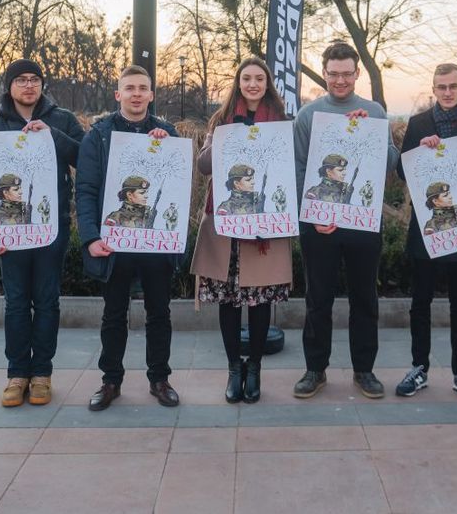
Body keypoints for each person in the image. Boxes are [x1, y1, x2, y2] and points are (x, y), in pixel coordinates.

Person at [0, 59, 85, 408]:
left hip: (51, 229)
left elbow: (85, 158)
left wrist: (53, 136)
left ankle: (42, 374)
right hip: (9, 232)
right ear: (9, 86)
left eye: (34, 79)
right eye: (20, 80)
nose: (28, 86)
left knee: (48, 300)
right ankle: (16, 373)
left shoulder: (61, 119)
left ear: (42, 85)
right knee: (16, 302)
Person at [292, 42, 399, 400]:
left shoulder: (374, 112)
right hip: (319, 225)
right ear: (324, 73)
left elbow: (389, 162)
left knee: (364, 298)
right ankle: (315, 370)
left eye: (346, 73)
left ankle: (364, 370)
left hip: (362, 223)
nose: (340, 80)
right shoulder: (308, 115)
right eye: (333, 73)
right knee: (317, 298)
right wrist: (311, 214)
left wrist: (372, 136)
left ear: (357, 74)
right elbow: (299, 167)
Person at [77, 65, 181, 411]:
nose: (137, 93)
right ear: (118, 94)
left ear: (152, 95)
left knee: (159, 314)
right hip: (114, 242)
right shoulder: (100, 135)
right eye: (130, 88)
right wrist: (90, 237)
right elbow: (87, 190)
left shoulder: (167, 133)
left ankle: (159, 379)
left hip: (154, 243)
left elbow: (178, 189)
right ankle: (110, 381)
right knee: (113, 314)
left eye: (143, 88)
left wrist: (170, 150)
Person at [190, 58, 293, 404]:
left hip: (264, 228)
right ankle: (235, 368)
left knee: (261, 301)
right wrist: (224, 142)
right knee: (229, 301)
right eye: (246, 78)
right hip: (225, 228)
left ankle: (256, 368)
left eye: (259, 78)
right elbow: (203, 166)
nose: (252, 84)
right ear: (238, 82)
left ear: (267, 84)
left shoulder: (280, 123)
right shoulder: (220, 122)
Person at [395, 62, 457, 403]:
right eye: (442, 87)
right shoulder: (419, 124)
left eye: (453, 86)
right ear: (434, 89)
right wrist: (419, 151)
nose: (448, 92)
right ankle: (418, 367)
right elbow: (401, 172)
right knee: (420, 302)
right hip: (426, 230)